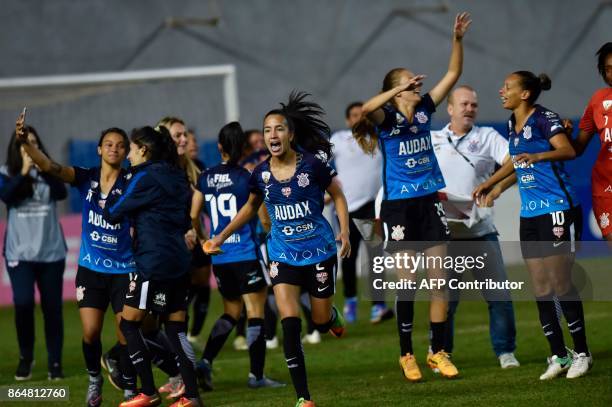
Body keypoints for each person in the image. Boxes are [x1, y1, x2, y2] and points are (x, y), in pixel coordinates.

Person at [203, 91, 351, 407]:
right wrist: (219, 236)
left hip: (320, 252)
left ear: (291, 134)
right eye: (268, 129)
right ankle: (303, 398)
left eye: (279, 129)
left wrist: (346, 233)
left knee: (321, 322)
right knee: (290, 323)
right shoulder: (261, 174)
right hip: (283, 255)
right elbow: (248, 208)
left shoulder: (312, 165)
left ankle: (331, 316)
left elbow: (338, 196)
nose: (273, 134)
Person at [354, 12, 471, 382]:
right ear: (397, 89)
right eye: (410, 83)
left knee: (440, 282)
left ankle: (437, 352)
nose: (418, 85)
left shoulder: (424, 110)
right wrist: (396, 89)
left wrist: (456, 40)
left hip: (428, 202)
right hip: (400, 207)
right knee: (408, 282)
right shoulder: (386, 118)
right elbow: (365, 109)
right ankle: (406, 355)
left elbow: (452, 76)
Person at [473, 71, 592, 380]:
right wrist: (492, 184)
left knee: (561, 283)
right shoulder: (513, 123)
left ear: (524, 94)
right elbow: (515, 161)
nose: (501, 91)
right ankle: (558, 355)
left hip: (557, 210)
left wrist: (538, 155)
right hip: (530, 214)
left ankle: (582, 353)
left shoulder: (544, 118)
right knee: (540, 287)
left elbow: (567, 150)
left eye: (507, 87)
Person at [15, 117, 139, 404]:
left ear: (125, 152)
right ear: (99, 150)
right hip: (91, 269)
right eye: (108, 144)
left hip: (124, 269)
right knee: (90, 332)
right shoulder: (86, 177)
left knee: (126, 335)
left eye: (120, 146)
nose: (114, 149)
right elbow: (49, 167)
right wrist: (24, 142)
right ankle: (95, 379)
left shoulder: (133, 182)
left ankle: (131, 388)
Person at [103, 126, 202, 407]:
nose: (128, 155)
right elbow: (185, 219)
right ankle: (192, 396)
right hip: (179, 261)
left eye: (132, 150)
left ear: (143, 150)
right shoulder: (177, 175)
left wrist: (121, 182)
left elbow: (112, 211)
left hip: (152, 261)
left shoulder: (142, 176)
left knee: (129, 323)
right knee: (176, 329)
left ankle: (147, 392)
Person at [191, 121, 284, 391]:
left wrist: (202, 239)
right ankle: (256, 376)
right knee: (256, 312)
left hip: (220, 257)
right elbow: (263, 218)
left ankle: (206, 361)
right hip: (244, 253)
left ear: (219, 147)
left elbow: (194, 215)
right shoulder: (247, 177)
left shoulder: (205, 177)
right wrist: (271, 235)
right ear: (243, 147)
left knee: (231, 312)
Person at [431, 85, 519, 368]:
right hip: (444, 234)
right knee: (446, 302)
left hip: (481, 231)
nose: (470, 109)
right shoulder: (432, 139)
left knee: (499, 297)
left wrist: (495, 188)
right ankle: (442, 353)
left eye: (474, 105)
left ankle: (506, 353)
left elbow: (516, 162)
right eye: (464, 104)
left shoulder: (487, 137)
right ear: (450, 109)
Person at [0, 122, 67, 381]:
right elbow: (6, 196)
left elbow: (61, 193)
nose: (31, 148)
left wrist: (45, 168)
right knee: (24, 304)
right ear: (18, 149)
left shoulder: (50, 173)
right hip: (19, 254)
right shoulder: (7, 172)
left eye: (35, 144)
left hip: (51, 253)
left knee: (53, 309)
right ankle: (26, 357)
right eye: (26, 145)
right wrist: (24, 173)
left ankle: (55, 363)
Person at [331, 101, 393, 324]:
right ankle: (350, 301)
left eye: (363, 114)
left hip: (373, 208)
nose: (359, 118)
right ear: (348, 120)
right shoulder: (338, 140)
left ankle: (378, 306)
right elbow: (318, 164)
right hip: (346, 209)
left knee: (375, 257)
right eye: (355, 115)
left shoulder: (378, 139)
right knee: (349, 256)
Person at [572, 42, 612, 247]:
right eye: (608, 69)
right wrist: (558, 134)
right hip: (606, 186)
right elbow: (578, 148)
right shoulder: (598, 100)